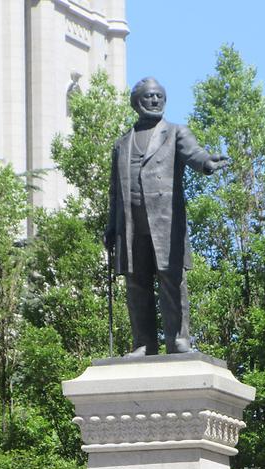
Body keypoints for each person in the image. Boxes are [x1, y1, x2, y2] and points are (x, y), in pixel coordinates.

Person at [105, 77, 228, 356]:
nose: (156, 100)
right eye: (149, 96)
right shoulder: (122, 144)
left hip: (164, 223)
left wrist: (206, 163)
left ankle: (178, 340)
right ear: (137, 102)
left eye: (160, 96)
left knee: (171, 282)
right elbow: (115, 191)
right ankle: (143, 343)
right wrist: (112, 226)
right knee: (137, 285)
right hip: (132, 225)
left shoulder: (175, 133)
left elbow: (194, 154)